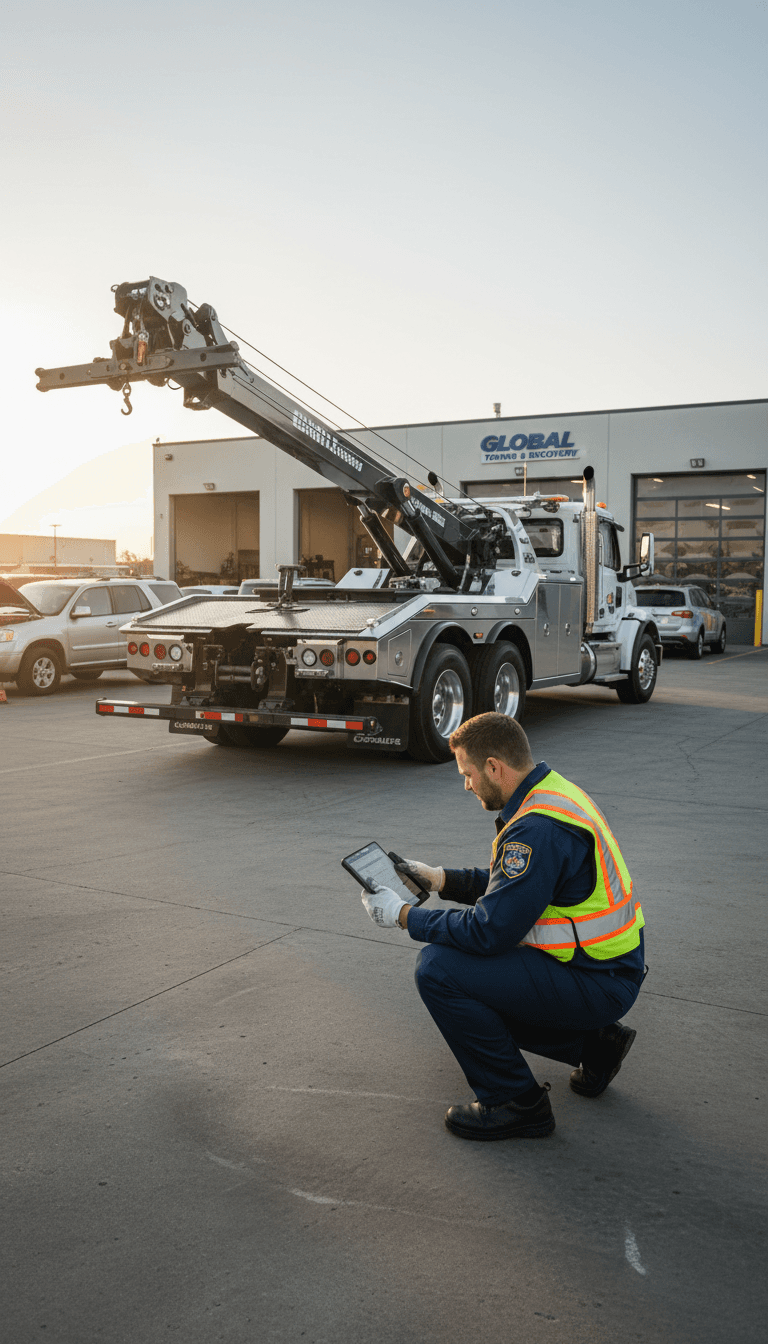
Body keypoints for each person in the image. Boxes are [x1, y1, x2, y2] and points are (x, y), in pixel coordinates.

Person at [361, 712, 645, 1141]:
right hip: (603, 967)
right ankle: (595, 1045)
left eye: (469, 773)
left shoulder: (535, 829)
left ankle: (515, 1101)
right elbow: (513, 892)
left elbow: (489, 931)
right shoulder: (551, 795)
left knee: (439, 970)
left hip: (597, 979)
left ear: (494, 767)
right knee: (473, 972)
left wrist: (403, 916)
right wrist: (439, 878)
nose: (467, 784)